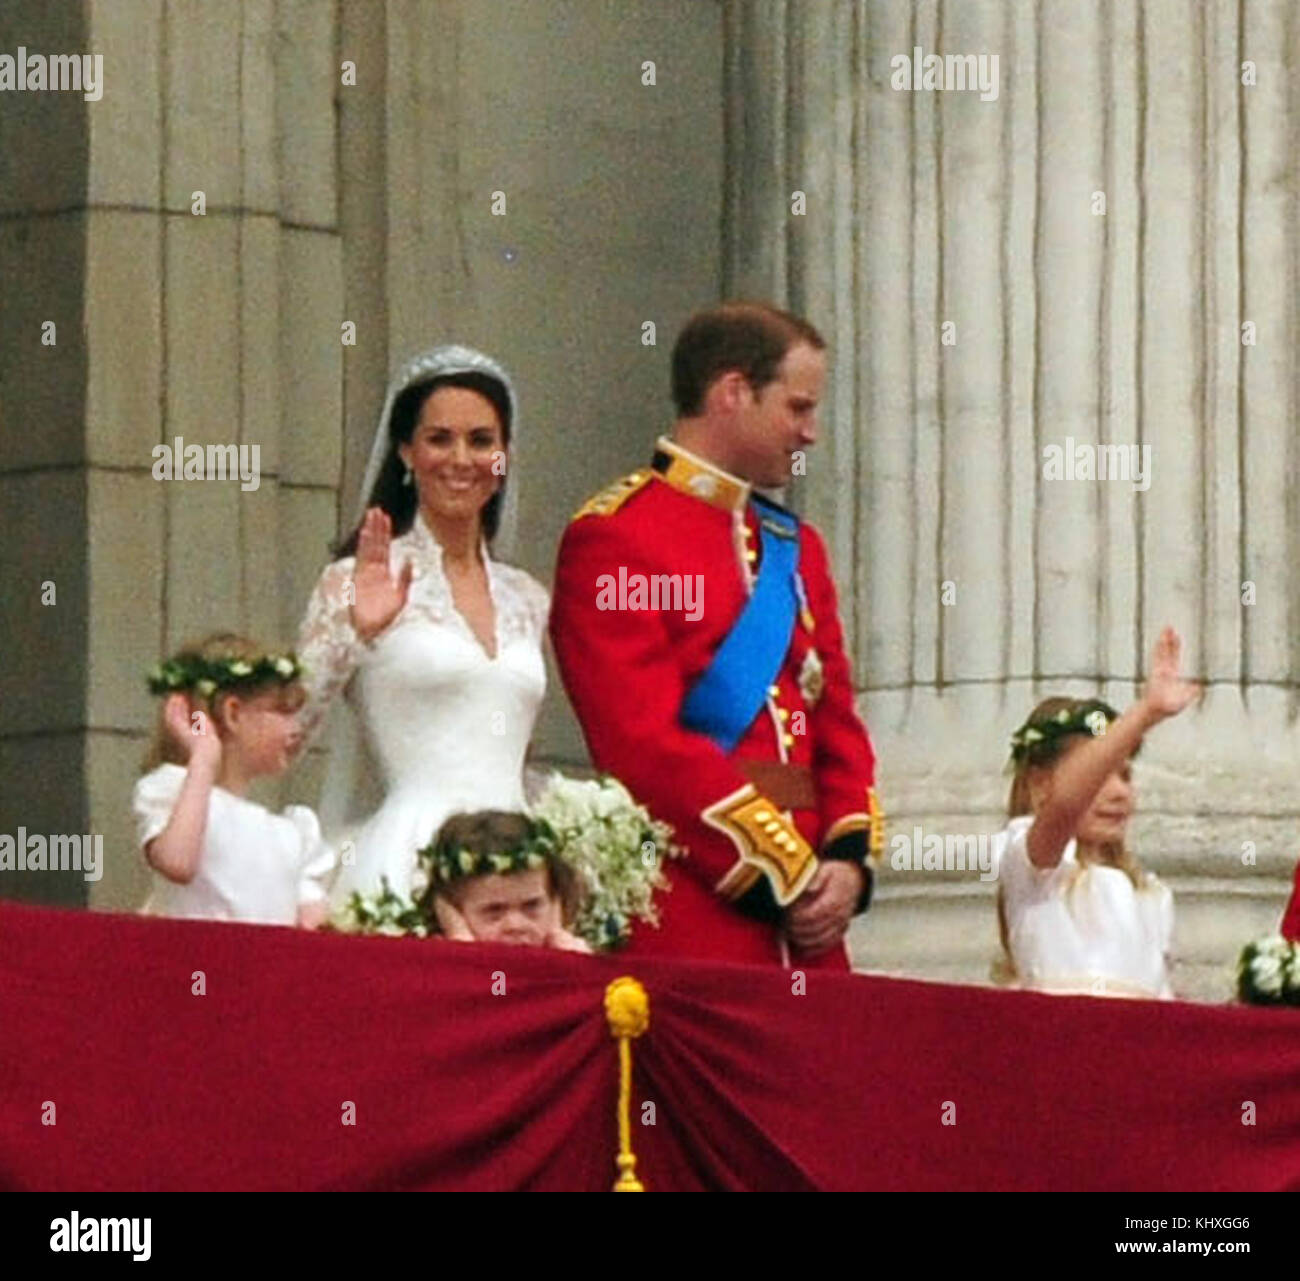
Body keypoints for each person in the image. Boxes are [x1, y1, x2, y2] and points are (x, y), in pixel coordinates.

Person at [549, 301, 882, 969]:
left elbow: (836, 719)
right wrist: (781, 869)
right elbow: (642, 744)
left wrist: (846, 863)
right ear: (733, 392)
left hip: (814, 921)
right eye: (797, 407)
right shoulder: (615, 535)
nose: (810, 432)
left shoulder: (796, 546)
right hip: (699, 902)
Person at [296, 345, 549, 909]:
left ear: (505, 455)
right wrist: (354, 634)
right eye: (439, 439)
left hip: (521, 867)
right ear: (407, 452)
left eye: (482, 441)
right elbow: (288, 732)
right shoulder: (353, 581)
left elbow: (511, 749)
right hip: (407, 860)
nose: (461, 458)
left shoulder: (528, 598)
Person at [993, 626, 1197, 998]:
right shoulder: (1035, 867)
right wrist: (1144, 714)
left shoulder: (1152, 895)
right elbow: (1067, 803)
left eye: (1125, 775)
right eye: (1101, 776)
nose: (1119, 793)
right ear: (1040, 785)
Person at [134, 633, 334, 926]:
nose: (296, 729)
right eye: (284, 712)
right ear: (233, 714)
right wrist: (203, 759)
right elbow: (178, 863)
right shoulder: (174, 790)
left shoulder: (293, 833)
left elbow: (313, 926)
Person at [415, 810, 591, 952]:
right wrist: (466, 956)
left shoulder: (576, 958)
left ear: (556, 902)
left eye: (532, 906)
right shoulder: (430, 975)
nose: (515, 925)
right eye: (494, 911)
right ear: (450, 914)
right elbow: (499, 990)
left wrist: (575, 968)